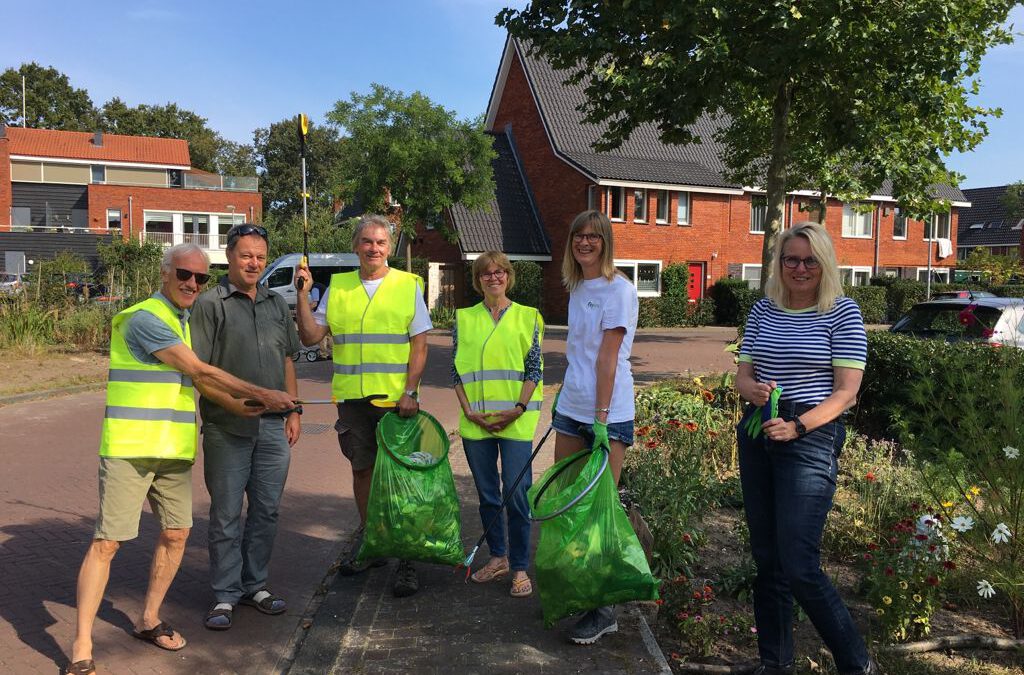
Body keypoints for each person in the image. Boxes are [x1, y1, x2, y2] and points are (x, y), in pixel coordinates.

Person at [68, 243, 295, 675]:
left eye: (200, 277)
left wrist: (236, 406)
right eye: (184, 274)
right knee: (108, 542)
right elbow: (201, 371)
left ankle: (148, 619)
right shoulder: (145, 318)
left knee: (176, 534)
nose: (192, 283)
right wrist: (265, 393)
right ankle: (82, 643)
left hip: (172, 450)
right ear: (165, 274)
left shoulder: (184, 321)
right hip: (130, 449)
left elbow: (202, 386)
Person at [735, 222, 879, 675]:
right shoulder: (762, 310)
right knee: (768, 560)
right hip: (760, 430)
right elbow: (743, 375)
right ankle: (774, 663)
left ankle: (857, 664)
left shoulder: (842, 313)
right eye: (790, 259)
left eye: (809, 260)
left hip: (809, 434)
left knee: (798, 562)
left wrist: (797, 427)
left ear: (825, 263)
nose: (799, 268)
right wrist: (752, 391)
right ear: (779, 264)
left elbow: (846, 394)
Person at [294, 214, 431, 598]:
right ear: (356, 247)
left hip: (395, 401)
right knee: (363, 474)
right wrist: (303, 294)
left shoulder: (408, 285)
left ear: (390, 248)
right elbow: (310, 336)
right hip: (353, 402)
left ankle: (406, 558)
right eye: (367, 242)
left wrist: (412, 391)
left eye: (381, 243)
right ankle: (374, 545)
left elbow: (420, 345)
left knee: (402, 479)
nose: (374, 248)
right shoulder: (337, 287)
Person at [189, 224, 302, 631]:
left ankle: (255, 585)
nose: (254, 263)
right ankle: (224, 594)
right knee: (225, 515)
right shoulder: (209, 304)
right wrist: (234, 404)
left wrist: (294, 411)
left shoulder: (275, 303)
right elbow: (199, 372)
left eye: (260, 256)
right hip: (226, 428)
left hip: (274, 429)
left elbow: (288, 359)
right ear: (229, 256)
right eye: (245, 255)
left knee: (267, 511)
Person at [551, 210, 638, 644]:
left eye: (593, 237)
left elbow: (607, 358)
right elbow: (579, 356)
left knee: (598, 511)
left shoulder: (619, 290)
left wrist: (601, 419)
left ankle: (603, 610)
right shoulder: (578, 286)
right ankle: (578, 591)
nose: (585, 243)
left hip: (608, 414)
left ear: (605, 242)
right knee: (567, 502)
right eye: (578, 236)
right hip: (572, 409)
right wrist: (566, 401)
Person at [452, 251, 544, 597]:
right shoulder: (463, 318)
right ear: (478, 280)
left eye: (500, 271)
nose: (493, 277)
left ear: (509, 276)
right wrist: (469, 410)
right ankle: (498, 558)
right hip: (476, 422)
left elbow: (534, 370)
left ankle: (520, 567)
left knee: (516, 494)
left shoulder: (528, 317)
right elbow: (455, 372)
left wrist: (518, 408)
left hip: (516, 420)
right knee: (488, 495)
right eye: (486, 273)